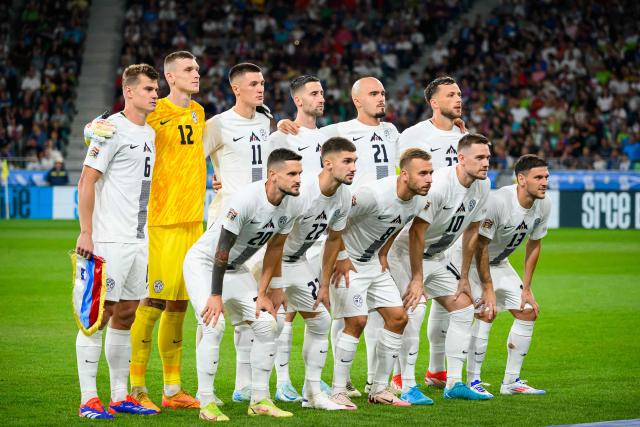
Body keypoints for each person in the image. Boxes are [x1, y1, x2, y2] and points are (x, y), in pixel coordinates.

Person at [183, 148, 305, 420]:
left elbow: (275, 248)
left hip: (236, 269)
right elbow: (221, 249)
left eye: (300, 173)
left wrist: (266, 291)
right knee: (213, 325)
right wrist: (215, 295)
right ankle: (206, 403)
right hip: (205, 264)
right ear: (273, 175)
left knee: (267, 324)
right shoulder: (246, 200)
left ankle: (260, 399)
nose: (298, 179)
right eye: (292, 174)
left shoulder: (293, 203)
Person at [75, 63, 159, 419]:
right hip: (109, 240)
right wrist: (86, 232)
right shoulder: (109, 131)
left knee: (127, 313)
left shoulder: (151, 133)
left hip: (140, 241)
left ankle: (120, 395)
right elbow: (86, 180)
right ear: (128, 91)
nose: (155, 94)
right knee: (99, 316)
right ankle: (88, 399)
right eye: (148, 89)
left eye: (156, 89)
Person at [128, 51, 205, 411]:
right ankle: (136, 386)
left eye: (197, 69)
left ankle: (172, 390)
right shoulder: (151, 112)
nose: (196, 74)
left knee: (179, 305)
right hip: (160, 223)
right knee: (153, 302)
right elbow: (110, 129)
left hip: (193, 222)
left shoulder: (199, 112)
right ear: (169, 77)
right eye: (189, 70)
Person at [392, 133, 496, 401]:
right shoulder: (439, 184)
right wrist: (417, 279)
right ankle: (406, 385)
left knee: (463, 308)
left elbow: (472, 232)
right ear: (461, 159)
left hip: (438, 257)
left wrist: (463, 277)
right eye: (480, 157)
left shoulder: (483, 187)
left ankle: (453, 383)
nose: (486, 163)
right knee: (412, 314)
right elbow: (417, 232)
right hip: (406, 254)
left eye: (488, 157)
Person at [330, 148, 434, 409]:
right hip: (348, 263)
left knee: (398, 318)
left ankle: (379, 389)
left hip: (373, 263)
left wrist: (384, 254)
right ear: (404, 175)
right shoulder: (372, 195)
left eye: (431, 173)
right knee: (357, 321)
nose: (429, 179)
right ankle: (337, 391)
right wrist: (341, 256)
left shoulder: (419, 199)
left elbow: (397, 224)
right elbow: (336, 218)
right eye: (423, 173)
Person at [203, 62, 274, 402]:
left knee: (254, 307)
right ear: (236, 89)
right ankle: (207, 389)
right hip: (226, 220)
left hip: (260, 222)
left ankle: (244, 386)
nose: (260, 88)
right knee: (213, 306)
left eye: (262, 83)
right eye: (253, 84)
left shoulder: (266, 119)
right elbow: (189, 160)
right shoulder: (217, 125)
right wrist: (211, 180)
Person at [392, 76, 467, 395]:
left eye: (460, 94)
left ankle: (439, 371)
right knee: (412, 308)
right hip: (412, 232)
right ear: (434, 102)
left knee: (455, 307)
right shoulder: (415, 135)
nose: (458, 98)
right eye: (451, 94)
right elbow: (402, 178)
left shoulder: (466, 137)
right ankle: (398, 378)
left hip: (448, 237)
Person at [270, 137, 356, 410]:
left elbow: (333, 240)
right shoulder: (303, 191)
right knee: (266, 325)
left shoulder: (342, 196)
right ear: (327, 163)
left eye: (355, 161)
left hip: (298, 261)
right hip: (270, 260)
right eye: (347, 161)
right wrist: (276, 283)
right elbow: (274, 239)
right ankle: (259, 391)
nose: (353, 167)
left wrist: (322, 285)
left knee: (320, 321)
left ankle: (312, 394)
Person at [464, 154, 550, 396]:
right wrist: (488, 288)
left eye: (546, 177)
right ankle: (473, 381)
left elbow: (535, 244)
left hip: (500, 262)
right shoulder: (499, 201)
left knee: (528, 311)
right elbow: (479, 245)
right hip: (472, 263)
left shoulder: (544, 203)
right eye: (538, 177)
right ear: (521, 179)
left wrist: (528, 288)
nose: (544, 182)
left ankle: (511, 382)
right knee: (486, 312)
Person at [267, 75, 328, 401]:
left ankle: (312, 382)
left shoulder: (331, 134)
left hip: (321, 232)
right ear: (298, 100)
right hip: (292, 230)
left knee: (315, 311)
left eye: (322, 92)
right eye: (314, 93)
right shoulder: (283, 135)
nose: (321, 97)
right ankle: (283, 381)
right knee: (285, 311)